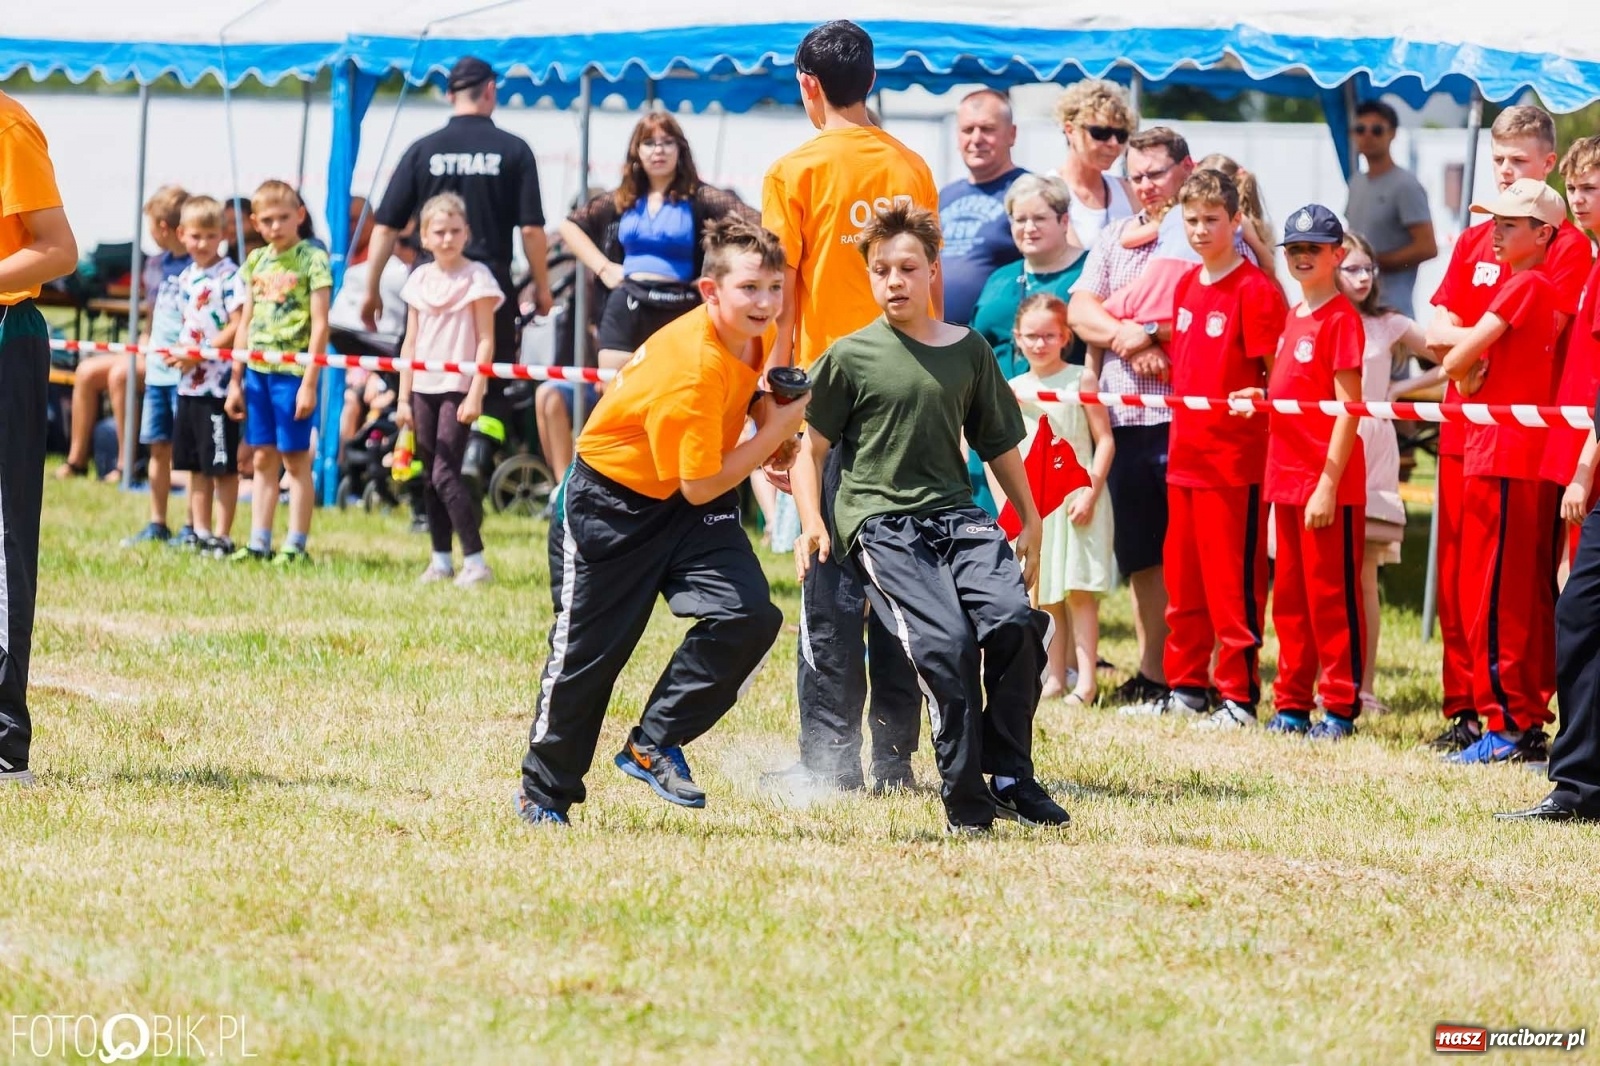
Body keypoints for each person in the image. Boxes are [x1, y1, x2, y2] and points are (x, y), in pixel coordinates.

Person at [515, 216, 804, 826]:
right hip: (611, 508)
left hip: (685, 504)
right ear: (710, 291)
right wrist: (775, 432)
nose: (765, 302)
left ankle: (653, 743)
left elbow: (730, 416)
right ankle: (542, 795)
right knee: (588, 659)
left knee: (750, 614)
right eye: (750, 288)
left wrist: (761, 416)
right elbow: (703, 483)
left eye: (774, 287)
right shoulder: (689, 368)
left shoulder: (755, 332)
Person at [792, 203, 1069, 833]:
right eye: (881, 269)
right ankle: (966, 802)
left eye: (907, 268)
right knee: (944, 645)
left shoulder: (969, 350)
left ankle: (1010, 777)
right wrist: (813, 517)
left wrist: (1029, 518)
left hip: (958, 519)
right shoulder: (850, 355)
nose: (894, 280)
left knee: (1015, 623)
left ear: (932, 272)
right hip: (881, 525)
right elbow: (809, 449)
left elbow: (999, 443)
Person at [760, 19, 934, 793]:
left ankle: (829, 765)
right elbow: (931, 288)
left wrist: (770, 409)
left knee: (828, 579)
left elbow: (778, 296)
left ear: (809, 85)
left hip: (830, 402)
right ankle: (895, 761)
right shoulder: (914, 166)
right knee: (902, 580)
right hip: (910, 396)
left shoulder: (794, 170)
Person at [1423, 105, 1593, 754]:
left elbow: (1491, 342)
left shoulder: (1562, 251)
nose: (1503, 171)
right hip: (1470, 434)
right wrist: (1463, 358)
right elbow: (1438, 329)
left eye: (1517, 162)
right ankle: (1475, 709)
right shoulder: (1486, 238)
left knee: (1512, 587)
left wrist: (1463, 358)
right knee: (1467, 583)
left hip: (1520, 441)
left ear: (1547, 167)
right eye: (1497, 160)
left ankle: (1513, 716)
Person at [1127, 169, 1285, 727]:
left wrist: (1260, 396)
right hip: (1185, 457)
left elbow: (1279, 380)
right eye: (1190, 220)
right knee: (1184, 581)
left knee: (1233, 586)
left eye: (1210, 220)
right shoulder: (1188, 285)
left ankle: (1239, 698)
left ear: (1236, 220)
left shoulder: (1256, 291)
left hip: (1234, 463)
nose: (1199, 230)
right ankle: (1187, 686)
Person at [541, 112, 755, 487]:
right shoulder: (623, 199)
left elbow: (755, 220)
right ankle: (603, 479)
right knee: (615, 394)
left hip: (679, 309)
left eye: (667, 142)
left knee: (679, 397)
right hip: (627, 304)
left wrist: (720, 274)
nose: (658, 151)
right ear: (636, 151)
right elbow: (569, 226)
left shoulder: (700, 196)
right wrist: (604, 267)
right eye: (650, 143)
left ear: (680, 149)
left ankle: (669, 479)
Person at [1067, 127, 1204, 709]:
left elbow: (1203, 312)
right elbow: (1078, 309)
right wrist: (1132, 339)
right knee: (1144, 554)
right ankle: (1153, 671)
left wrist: (1145, 330)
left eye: (1157, 172)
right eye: (1138, 175)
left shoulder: (1205, 230)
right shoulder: (1113, 237)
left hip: (1186, 416)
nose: (1147, 185)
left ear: (1186, 168)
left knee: (1190, 553)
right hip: (1125, 419)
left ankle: (1202, 674)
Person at [1438, 179, 1568, 764]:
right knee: (1505, 591)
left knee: (1495, 594)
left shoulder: (1525, 286)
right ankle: (1516, 719)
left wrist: (1468, 366)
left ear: (1543, 235)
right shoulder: (1530, 286)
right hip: (1508, 455)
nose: (1495, 231)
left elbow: (1455, 357)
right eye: (1494, 221)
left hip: (1507, 454)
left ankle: (1509, 725)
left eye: (1509, 225)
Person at [1250, 206, 1368, 739]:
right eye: (1295, 248)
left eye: (1313, 249)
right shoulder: (1296, 314)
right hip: (1285, 477)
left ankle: (1339, 705)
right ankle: (1293, 702)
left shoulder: (1342, 319)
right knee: (1291, 600)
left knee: (1331, 597)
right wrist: (1261, 398)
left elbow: (1349, 408)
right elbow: (1296, 392)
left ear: (1336, 255)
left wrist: (1327, 482)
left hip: (1326, 484)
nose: (1301, 256)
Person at [363, 56, 552, 371]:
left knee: (428, 380)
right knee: (489, 386)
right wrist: (543, 289)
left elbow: (385, 227)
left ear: (450, 95)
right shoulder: (515, 150)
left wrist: (371, 291)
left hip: (432, 285)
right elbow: (531, 230)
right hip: (490, 285)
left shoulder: (421, 150)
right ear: (490, 90)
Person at [0, 89, 77, 787]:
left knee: (2, 541)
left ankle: (2, 742)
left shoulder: (9, 125)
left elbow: (57, 251)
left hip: (5, 337)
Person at [994, 294, 1115, 703]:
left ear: (1065, 337)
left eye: (1049, 335)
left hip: (1080, 501)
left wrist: (1091, 492)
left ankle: (1086, 680)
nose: (1040, 343)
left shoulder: (1081, 379)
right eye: (1031, 336)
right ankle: (1055, 676)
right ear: (1018, 339)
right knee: (1047, 592)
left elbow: (1105, 442)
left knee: (1080, 592)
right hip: (1040, 506)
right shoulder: (1014, 388)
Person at [1337, 233, 1429, 714]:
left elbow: (1447, 355)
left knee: (1364, 574)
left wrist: (1402, 387)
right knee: (1324, 574)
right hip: (1325, 444)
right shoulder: (1319, 319)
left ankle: (1364, 685)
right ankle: (1323, 682)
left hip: (1372, 445)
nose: (1362, 276)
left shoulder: (1388, 324)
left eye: (1367, 268)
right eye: (1351, 267)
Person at [395, 193, 502, 587]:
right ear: (424, 236)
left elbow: (485, 340)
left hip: (457, 386)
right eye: (439, 231)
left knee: (445, 473)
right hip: (422, 386)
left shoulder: (478, 278)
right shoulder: (419, 279)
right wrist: (404, 399)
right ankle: (440, 559)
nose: (447, 238)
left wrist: (477, 390)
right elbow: (410, 341)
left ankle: (475, 560)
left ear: (467, 233)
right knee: (428, 476)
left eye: (455, 230)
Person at [965, 174, 1087, 515]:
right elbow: (974, 353)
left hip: (1057, 436)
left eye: (1039, 218)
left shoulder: (1088, 273)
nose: (1028, 228)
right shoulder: (999, 278)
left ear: (1064, 220)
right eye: (1020, 219)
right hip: (991, 432)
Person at [224, 180, 331, 565]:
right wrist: (235, 380)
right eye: (267, 220)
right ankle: (258, 541)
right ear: (255, 222)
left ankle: (296, 543)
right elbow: (245, 322)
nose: (275, 226)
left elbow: (321, 325)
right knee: (262, 459)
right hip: (256, 372)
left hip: (293, 373)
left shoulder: (312, 259)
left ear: (299, 216)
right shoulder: (255, 262)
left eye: (284, 217)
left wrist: (310, 383)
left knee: (295, 459)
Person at [167, 196, 245, 556]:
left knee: (222, 466)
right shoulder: (185, 277)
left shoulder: (229, 275)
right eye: (196, 236)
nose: (202, 243)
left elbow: (239, 322)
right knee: (195, 465)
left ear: (223, 235)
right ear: (182, 234)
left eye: (210, 236)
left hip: (217, 385)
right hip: (188, 386)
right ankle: (198, 529)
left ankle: (223, 534)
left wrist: (201, 352)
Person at [120, 185, 193, 545]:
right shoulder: (154, 266)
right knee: (158, 446)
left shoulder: (200, 266)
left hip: (191, 375)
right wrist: (147, 341)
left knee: (189, 452)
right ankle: (157, 521)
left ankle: (193, 525)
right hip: (159, 373)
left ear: (163, 227)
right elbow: (152, 311)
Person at [1542, 136, 1600, 575]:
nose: (1577, 200)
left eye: (1590, 189)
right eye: (1573, 188)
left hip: (1591, 441)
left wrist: (1585, 466)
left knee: (1578, 584)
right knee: (1568, 562)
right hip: (1578, 434)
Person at [938, 88, 1029, 324]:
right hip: (939, 342)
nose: (976, 139)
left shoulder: (1030, 190)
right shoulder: (945, 195)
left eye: (987, 129)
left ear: (1012, 134)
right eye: (968, 130)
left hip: (999, 344)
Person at [1344, 100, 1437, 317]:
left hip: (1392, 310)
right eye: (1360, 129)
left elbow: (1427, 247)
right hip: (1357, 308)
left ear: (1392, 133)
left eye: (1376, 130)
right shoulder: (1357, 182)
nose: (1367, 135)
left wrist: (1372, 262)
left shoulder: (1405, 185)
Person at [1048, 80, 1137, 253]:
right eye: (1100, 133)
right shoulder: (1046, 191)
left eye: (1121, 135)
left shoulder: (1129, 192)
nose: (1113, 143)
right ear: (1070, 130)